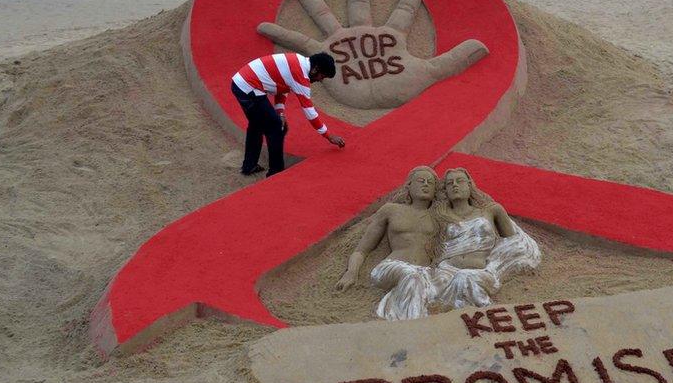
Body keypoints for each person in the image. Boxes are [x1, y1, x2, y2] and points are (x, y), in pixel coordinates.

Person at [335, 166, 440, 320]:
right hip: (391, 267)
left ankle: (395, 317)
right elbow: (362, 250)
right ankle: (413, 327)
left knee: (419, 280)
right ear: (409, 185)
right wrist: (351, 272)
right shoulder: (391, 210)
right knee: (412, 277)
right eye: (420, 180)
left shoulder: (439, 216)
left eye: (430, 182)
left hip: (423, 271)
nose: (425, 184)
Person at [430, 168, 541, 310]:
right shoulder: (439, 217)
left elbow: (514, 241)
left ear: (469, 185)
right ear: (445, 191)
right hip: (446, 271)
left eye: (460, 181)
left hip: (481, 272)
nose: (455, 185)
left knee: (464, 278)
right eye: (450, 183)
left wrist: (499, 262)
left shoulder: (491, 211)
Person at [230, 51, 345, 177]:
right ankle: (276, 172)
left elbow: (283, 87)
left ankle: (249, 165)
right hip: (249, 88)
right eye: (322, 76)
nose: (320, 80)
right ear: (315, 69)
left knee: (257, 125)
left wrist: (280, 112)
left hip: (242, 84)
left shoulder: (299, 62)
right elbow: (309, 111)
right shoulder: (301, 76)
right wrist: (328, 136)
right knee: (277, 127)